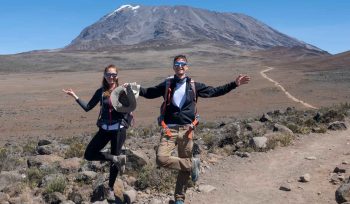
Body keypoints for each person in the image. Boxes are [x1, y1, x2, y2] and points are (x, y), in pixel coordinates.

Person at [139, 55, 250, 204]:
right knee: (161, 159)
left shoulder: (194, 85)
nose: (180, 66)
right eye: (177, 64)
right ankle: (192, 164)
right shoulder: (167, 84)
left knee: (183, 167)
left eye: (183, 64)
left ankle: (179, 198)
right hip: (169, 130)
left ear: (187, 67)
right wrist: (135, 89)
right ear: (173, 67)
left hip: (187, 130)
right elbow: (149, 92)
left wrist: (234, 84)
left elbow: (214, 91)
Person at [62, 64, 134, 203]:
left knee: (115, 162)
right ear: (104, 76)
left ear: (117, 76)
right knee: (89, 154)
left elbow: (131, 106)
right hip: (104, 129)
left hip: (119, 130)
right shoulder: (100, 92)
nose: (111, 77)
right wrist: (75, 96)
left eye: (113, 75)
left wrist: (128, 92)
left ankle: (111, 189)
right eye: (108, 74)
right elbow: (88, 107)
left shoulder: (122, 90)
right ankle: (114, 158)